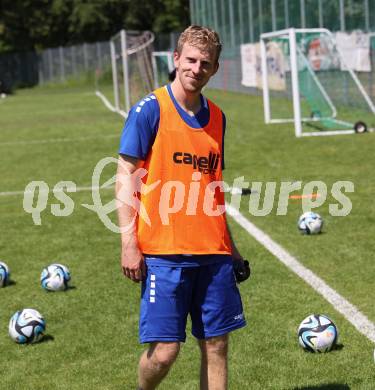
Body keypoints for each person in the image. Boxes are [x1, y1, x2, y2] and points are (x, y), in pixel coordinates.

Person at [116, 25, 250, 390]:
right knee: (164, 352)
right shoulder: (150, 109)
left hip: (213, 253)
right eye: (190, 60)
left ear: (215, 68)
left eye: (205, 63)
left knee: (217, 344)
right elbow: (125, 174)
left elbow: (212, 191)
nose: (196, 68)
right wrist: (129, 242)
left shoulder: (218, 119)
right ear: (176, 60)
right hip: (163, 253)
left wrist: (232, 250)